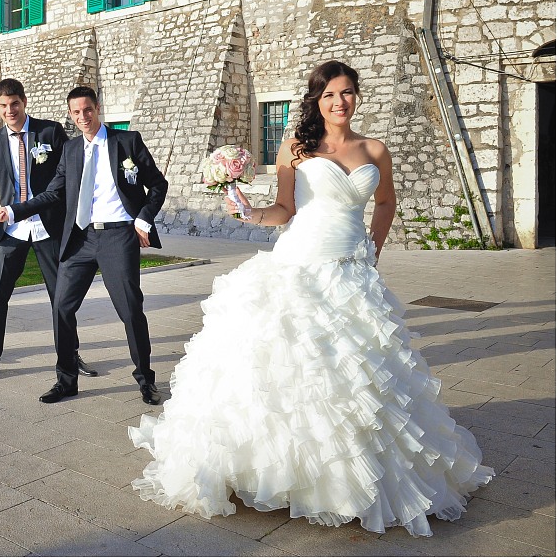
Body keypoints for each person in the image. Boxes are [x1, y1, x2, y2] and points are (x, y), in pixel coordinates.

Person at [128, 60, 494, 537]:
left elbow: (386, 202)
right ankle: (278, 469)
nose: (339, 102)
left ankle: (349, 474)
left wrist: (374, 249)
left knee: (358, 373)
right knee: (287, 366)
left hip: (352, 272)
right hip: (296, 266)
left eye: (347, 92)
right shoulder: (295, 147)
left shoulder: (374, 150)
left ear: (357, 95)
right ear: (317, 101)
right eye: (329, 95)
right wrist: (250, 213)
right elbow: (284, 209)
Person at [0, 86, 169, 405]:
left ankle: (145, 379)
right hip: (80, 239)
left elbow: (158, 184)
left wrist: (143, 219)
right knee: (61, 306)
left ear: (97, 108)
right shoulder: (71, 150)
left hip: (118, 236)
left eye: (87, 110)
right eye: (76, 112)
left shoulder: (127, 142)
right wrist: (14, 210)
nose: (83, 117)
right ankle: (66, 380)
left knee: (130, 310)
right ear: (71, 115)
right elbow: (53, 193)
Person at [0, 78, 98, 383]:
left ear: (24, 102)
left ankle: (70, 356)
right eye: (4, 106)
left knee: (61, 297)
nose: (10, 110)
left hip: (48, 226)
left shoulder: (49, 132)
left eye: (15, 103)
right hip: (12, 229)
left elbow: (67, 178)